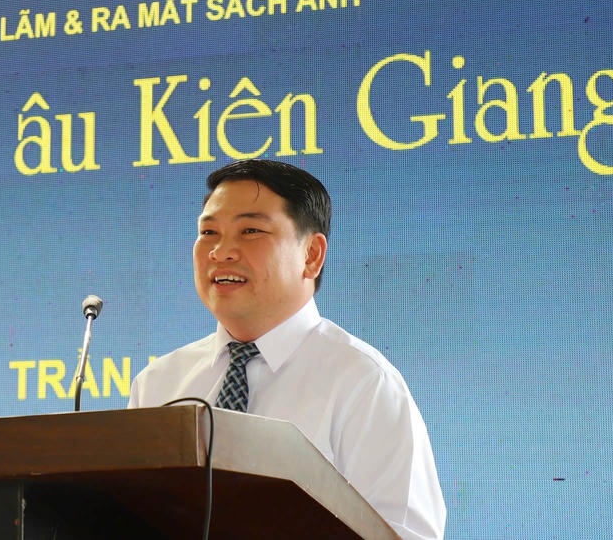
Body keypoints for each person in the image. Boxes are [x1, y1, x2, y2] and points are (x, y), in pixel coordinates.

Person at [128, 159, 446, 540]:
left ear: (311, 255)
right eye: (209, 232)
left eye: (250, 230)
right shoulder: (159, 384)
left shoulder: (363, 383)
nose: (221, 251)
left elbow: (404, 533)